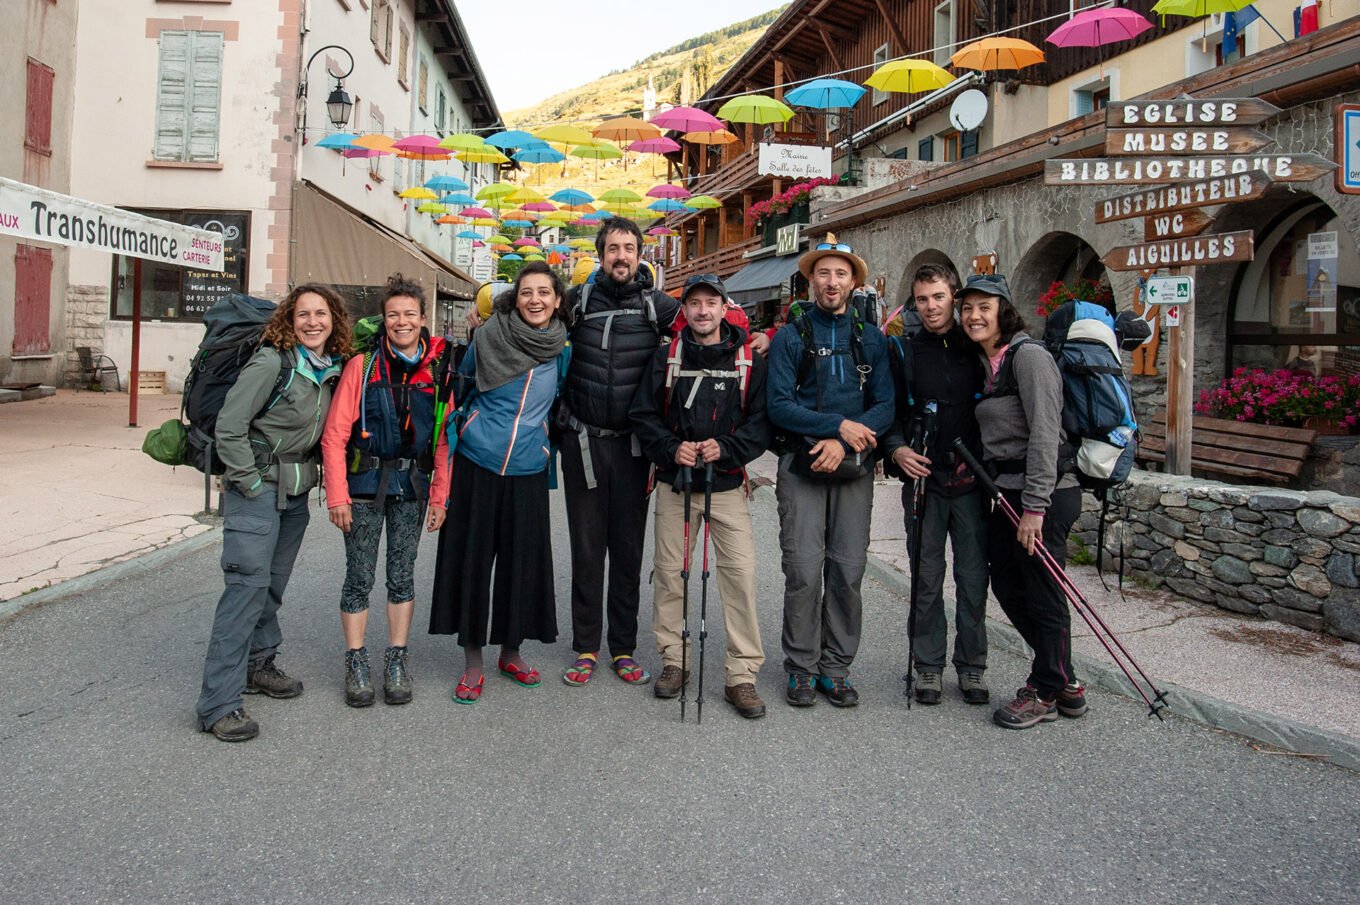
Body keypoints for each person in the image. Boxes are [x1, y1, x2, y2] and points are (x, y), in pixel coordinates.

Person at [196, 284, 351, 742]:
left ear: (334, 320)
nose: (312, 322)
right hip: (258, 491)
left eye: (321, 314)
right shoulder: (271, 361)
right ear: (289, 319)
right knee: (245, 591)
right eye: (303, 314)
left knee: (271, 588)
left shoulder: (329, 367)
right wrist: (247, 481)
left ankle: (258, 667)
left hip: (295, 496)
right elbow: (230, 426)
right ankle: (218, 705)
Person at [427, 261, 571, 704]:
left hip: (527, 467)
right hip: (477, 463)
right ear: (515, 297)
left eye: (544, 293)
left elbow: (559, 402)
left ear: (557, 301)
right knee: (472, 561)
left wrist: (546, 446)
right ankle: (473, 661)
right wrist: (465, 433)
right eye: (527, 292)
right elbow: (462, 390)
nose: (535, 300)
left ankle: (511, 652)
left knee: (520, 563)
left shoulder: (562, 348)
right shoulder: (486, 337)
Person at [630, 274, 771, 719]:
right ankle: (675, 660)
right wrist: (673, 449)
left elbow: (762, 421)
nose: (703, 311)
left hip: (726, 483)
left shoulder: (748, 358)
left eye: (712, 303)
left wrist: (726, 449)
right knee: (671, 573)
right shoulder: (665, 357)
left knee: (740, 575)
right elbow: (643, 413)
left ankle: (741, 674)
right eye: (695, 304)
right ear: (685, 310)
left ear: (724, 307)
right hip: (677, 482)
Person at [766, 234, 894, 709]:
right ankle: (801, 667)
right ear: (811, 279)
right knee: (802, 569)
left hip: (854, 467)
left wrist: (842, 442)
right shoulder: (791, 336)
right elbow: (778, 406)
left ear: (854, 281)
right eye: (823, 272)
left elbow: (885, 406)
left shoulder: (872, 339)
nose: (832, 281)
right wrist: (836, 427)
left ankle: (835, 668)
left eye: (841, 273)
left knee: (848, 569)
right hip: (801, 464)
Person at [958, 274, 1087, 730]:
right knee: (1010, 586)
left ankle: (1046, 690)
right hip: (1008, 491)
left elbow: (1046, 434)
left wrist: (1035, 507)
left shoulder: (1028, 357)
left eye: (983, 307)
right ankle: (1063, 677)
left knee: (1041, 591)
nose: (974, 316)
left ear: (1003, 312)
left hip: (1045, 492)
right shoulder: (991, 362)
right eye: (968, 308)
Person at [556, 219, 679, 687]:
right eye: (612, 249)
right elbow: (530, 315)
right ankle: (586, 646)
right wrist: (483, 317)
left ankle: (622, 648)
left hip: (633, 449)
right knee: (586, 551)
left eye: (629, 248)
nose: (620, 256)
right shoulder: (577, 301)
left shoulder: (657, 305)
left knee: (627, 552)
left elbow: (710, 324)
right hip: (583, 443)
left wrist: (759, 336)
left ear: (640, 254)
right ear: (600, 255)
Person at [322, 274, 446, 708]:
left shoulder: (436, 370)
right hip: (363, 487)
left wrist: (439, 497)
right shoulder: (363, 366)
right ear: (383, 319)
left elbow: (441, 440)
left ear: (423, 317)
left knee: (401, 576)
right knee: (359, 576)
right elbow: (335, 435)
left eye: (409, 314)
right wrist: (336, 494)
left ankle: (397, 658)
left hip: (412, 486)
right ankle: (355, 660)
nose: (401, 322)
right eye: (393, 315)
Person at [881, 264, 990, 706]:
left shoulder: (978, 348)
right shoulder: (904, 351)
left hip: (971, 478)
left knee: (972, 577)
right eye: (922, 299)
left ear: (954, 297)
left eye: (939, 297)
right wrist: (896, 449)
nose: (930, 307)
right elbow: (888, 410)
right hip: (923, 476)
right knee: (926, 577)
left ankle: (972, 667)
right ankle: (928, 666)